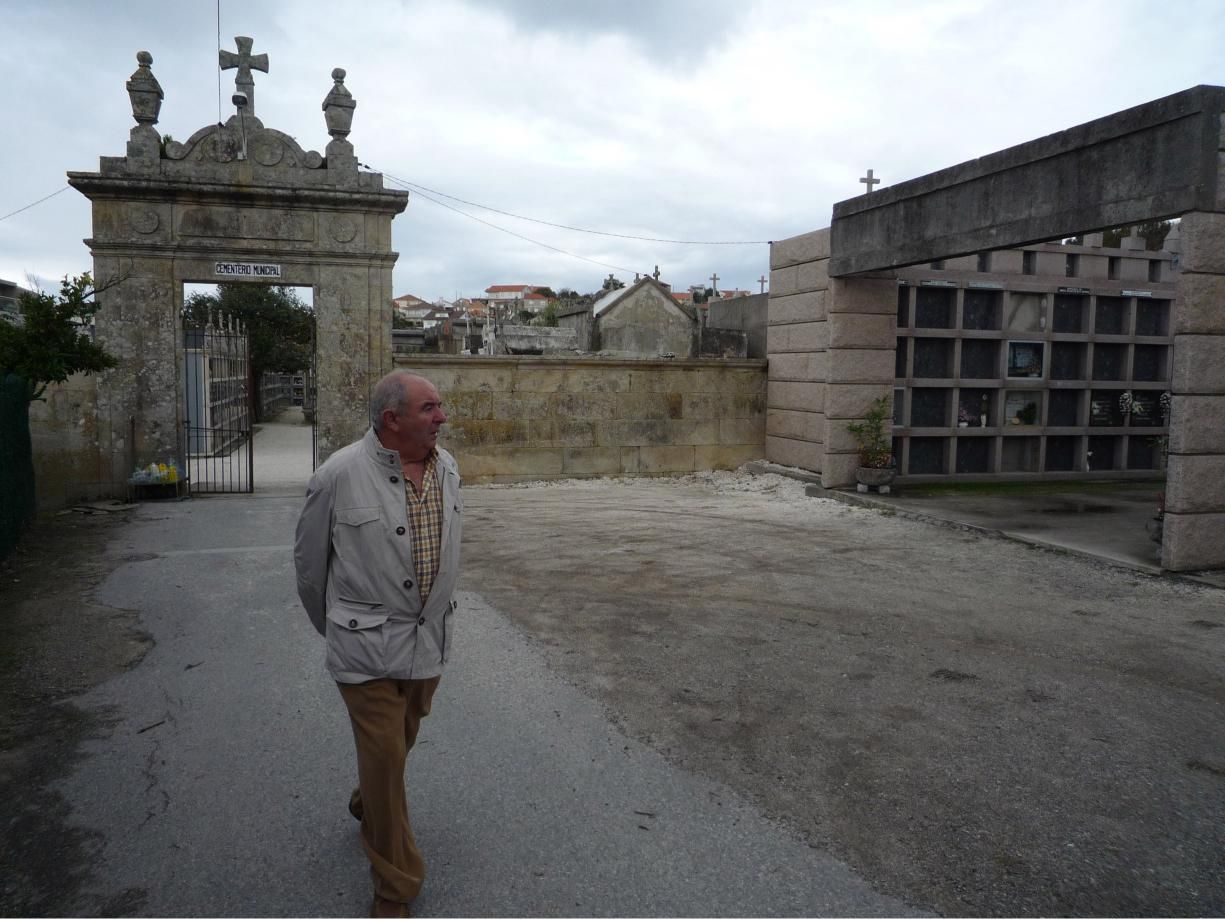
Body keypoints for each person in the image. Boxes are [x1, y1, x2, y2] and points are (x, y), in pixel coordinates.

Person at [294, 370, 462, 918]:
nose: (442, 417)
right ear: (393, 420)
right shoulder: (338, 475)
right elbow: (310, 570)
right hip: (364, 649)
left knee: (397, 747)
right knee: (388, 754)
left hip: (426, 642)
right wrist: (342, 628)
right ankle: (395, 885)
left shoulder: (449, 469)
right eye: (429, 408)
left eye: (440, 407)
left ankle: (368, 799)